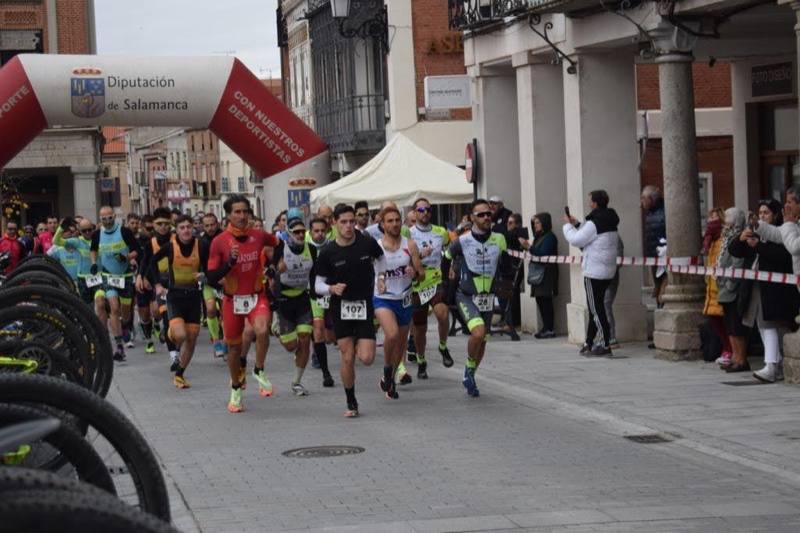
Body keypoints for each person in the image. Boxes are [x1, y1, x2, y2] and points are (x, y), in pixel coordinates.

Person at [208, 194, 280, 413]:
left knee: (262, 329)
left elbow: (280, 244)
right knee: (235, 348)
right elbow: (211, 276)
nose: (241, 216)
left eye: (245, 212)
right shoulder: (219, 242)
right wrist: (229, 263)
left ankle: (258, 369)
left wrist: (274, 266)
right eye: (236, 212)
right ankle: (236, 387)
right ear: (228, 215)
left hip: (257, 295)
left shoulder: (258, 236)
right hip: (232, 301)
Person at [314, 204, 387, 418]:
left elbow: (381, 259)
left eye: (351, 221)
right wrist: (331, 288)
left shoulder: (366, 242)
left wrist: (381, 277)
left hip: (364, 305)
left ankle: (356, 345)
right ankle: (351, 401)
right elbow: (318, 285)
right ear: (334, 224)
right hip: (341, 307)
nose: (348, 226)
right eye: (343, 222)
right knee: (347, 358)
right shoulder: (328, 252)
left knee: (367, 358)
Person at [444, 199, 508, 398]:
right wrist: (449, 275)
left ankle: (469, 374)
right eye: (481, 214)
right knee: (478, 333)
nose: (486, 217)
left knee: (483, 340)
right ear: (472, 218)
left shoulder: (499, 239)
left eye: (489, 213)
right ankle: (469, 369)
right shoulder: (461, 241)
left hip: (487, 297)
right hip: (466, 295)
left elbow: (505, 266)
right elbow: (445, 258)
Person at [732, 200, 797, 382]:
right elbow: (734, 250)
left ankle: (771, 365)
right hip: (755, 284)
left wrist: (759, 246)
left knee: (769, 325)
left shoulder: (782, 232)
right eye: (760, 213)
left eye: (766, 213)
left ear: (775, 215)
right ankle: (775, 362)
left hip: (774, 288)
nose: (761, 216)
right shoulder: (755, 231)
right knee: (761, 325)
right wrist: (741, 238)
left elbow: (783, 257)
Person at [148, 215, 211, 388]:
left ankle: (180, 374)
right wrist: (158, 284)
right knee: (181, 335)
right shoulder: (170, 247)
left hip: (193, 297)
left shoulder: (201, 245)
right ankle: (169, 334)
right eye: (182, 227)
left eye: (189, 227)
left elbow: (208, 266)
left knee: (192, 338)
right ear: (177, 230)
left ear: (193, 229)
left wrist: (204, 275)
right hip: (175, 296)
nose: (186, 230)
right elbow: (153, 261)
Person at [374, 206, 424, 399]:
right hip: (383, 299)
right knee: (392, 334)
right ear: (382, 224)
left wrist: (414, 273)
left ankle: (390, 381)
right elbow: (369, 270)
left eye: (397, 220)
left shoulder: (409, 245)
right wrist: (378, 280)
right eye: (390, 221)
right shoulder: (376, 246)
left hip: (404, 298)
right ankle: (387, 368)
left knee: (401, 343)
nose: (394, 224)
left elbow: (421, 274)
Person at [563, 190, 619, 357]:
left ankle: (605, 343)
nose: (588, 204)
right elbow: (593, 237)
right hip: (607, 270)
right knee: (597, 307)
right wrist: (579, 225)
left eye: (590, 201)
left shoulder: (594, 223)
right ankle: (589, 341)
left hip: (594, 271)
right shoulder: (609, 220)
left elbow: (577, 240)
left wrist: (567, 225)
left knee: (596, 310)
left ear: (595, 203)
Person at [409, 198, 454, 379]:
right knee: (420, 328)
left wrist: (449, 266)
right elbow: (404, 256)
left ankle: (443, 347)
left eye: (428, 209)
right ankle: (421, 360)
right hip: (417, 283)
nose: (425, 212)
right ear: (414, 212)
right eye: (421, 209)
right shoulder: (408, 234)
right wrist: (419, 255)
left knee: (442, 314)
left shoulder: (441, 232)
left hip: (435, 279)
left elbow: (447, 249)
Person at [271, 217, 317, 396]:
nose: (299, 235)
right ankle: (277, 327)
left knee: (305, 339)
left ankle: (297, 382)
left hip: (302, 298)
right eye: (296, 232)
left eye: (301, 231)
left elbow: (314, 275)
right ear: (288, 233)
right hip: (283, 300)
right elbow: (271, 272)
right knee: (291, 346)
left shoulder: (311, 249)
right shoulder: (280, 249)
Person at [90, 206, 140, 361]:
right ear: (100, 220)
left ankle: (126, 326)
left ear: (114, 217)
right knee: (114, 307)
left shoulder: (124, 231)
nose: (107, 222)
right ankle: (119, 346)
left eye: (109, 218)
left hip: (124, 275)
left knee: (125, 313)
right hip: (108, 275)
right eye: (103, 219)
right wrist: (93, 263)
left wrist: (127, 257)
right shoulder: (97, 234)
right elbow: (93, 249)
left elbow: (137, 250)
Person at [138, 208, 178, 362]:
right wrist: (141, 276)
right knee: (162, 313)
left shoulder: (177, 238)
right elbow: (146, 261)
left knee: (175, 319)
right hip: (159, 281)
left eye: (166, 223)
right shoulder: (151, 243)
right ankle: (173, 354)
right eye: (159, 224)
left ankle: (172, 341)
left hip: (177, 281)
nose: (163, 227)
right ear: (154, 225)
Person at [715, 208, 750, 373]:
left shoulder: (738, 238)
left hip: (732, 290)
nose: (724, 223)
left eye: (727, 219)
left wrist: (729, 285)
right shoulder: (727, 238)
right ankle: (735, 357)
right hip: (724, 290)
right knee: (729, 326)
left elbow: (737, 264)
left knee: (736, 327)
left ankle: (741, 359)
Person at [307, 216, 336, 387]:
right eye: (315, 231)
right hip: (314, 295)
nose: (319, 234)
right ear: (310, 232)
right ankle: (326, 373)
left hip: (331, 293)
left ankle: (319, 349)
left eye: (322, 231)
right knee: (318, 329)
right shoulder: (306, 248)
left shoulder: (332, 247)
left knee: (331, 337)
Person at [520, 213, 558, 339]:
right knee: (540, 300)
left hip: (546, 273)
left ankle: (550, 328)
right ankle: (545, 327)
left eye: (538, 223)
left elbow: (543, 254)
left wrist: (529, 247)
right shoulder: (539, 237)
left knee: (546, 301)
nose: (535, 225)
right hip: (537, 273)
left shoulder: (550, 237)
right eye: (534, 223)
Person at [701, 209, 732, 366]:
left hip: (720, 285)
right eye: (709, 219)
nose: (710, 223)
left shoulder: (723, 239)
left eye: (714, 219)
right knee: (714, 319)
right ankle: (726, 347)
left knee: (723, 319)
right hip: (711, 286)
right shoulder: (710, 240)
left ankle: (729, 349)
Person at [53, 217, 96, 306]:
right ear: (80, 231)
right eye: (84, 231)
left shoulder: (98, 240)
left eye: (89, 230)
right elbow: (56, 241)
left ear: (93, 229)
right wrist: (61, 228)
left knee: (99, 303)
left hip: (97, 278)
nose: (87, 232)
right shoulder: (77, 241)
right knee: (86, 307)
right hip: (83, 278)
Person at [201, 213, 226, 358]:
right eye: (207, 225)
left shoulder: (224, 238)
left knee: (225, 314)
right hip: (209, 283)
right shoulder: (201, 242)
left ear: (217, 223)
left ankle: (226, 340)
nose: (210, 228)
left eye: (213, 224)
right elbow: (201, 264)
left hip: (224, 282)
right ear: (203, 227)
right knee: (210, 309)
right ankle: (216, 341)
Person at [641, 185, 667, 310]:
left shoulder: (664, 211)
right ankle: (659, 308)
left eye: (643, 198)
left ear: (650, 199)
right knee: (657, 285)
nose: (641, 202)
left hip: (664, 255)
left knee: (664, 285)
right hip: (654, 256)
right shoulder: (650, 213)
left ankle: (662, 309)